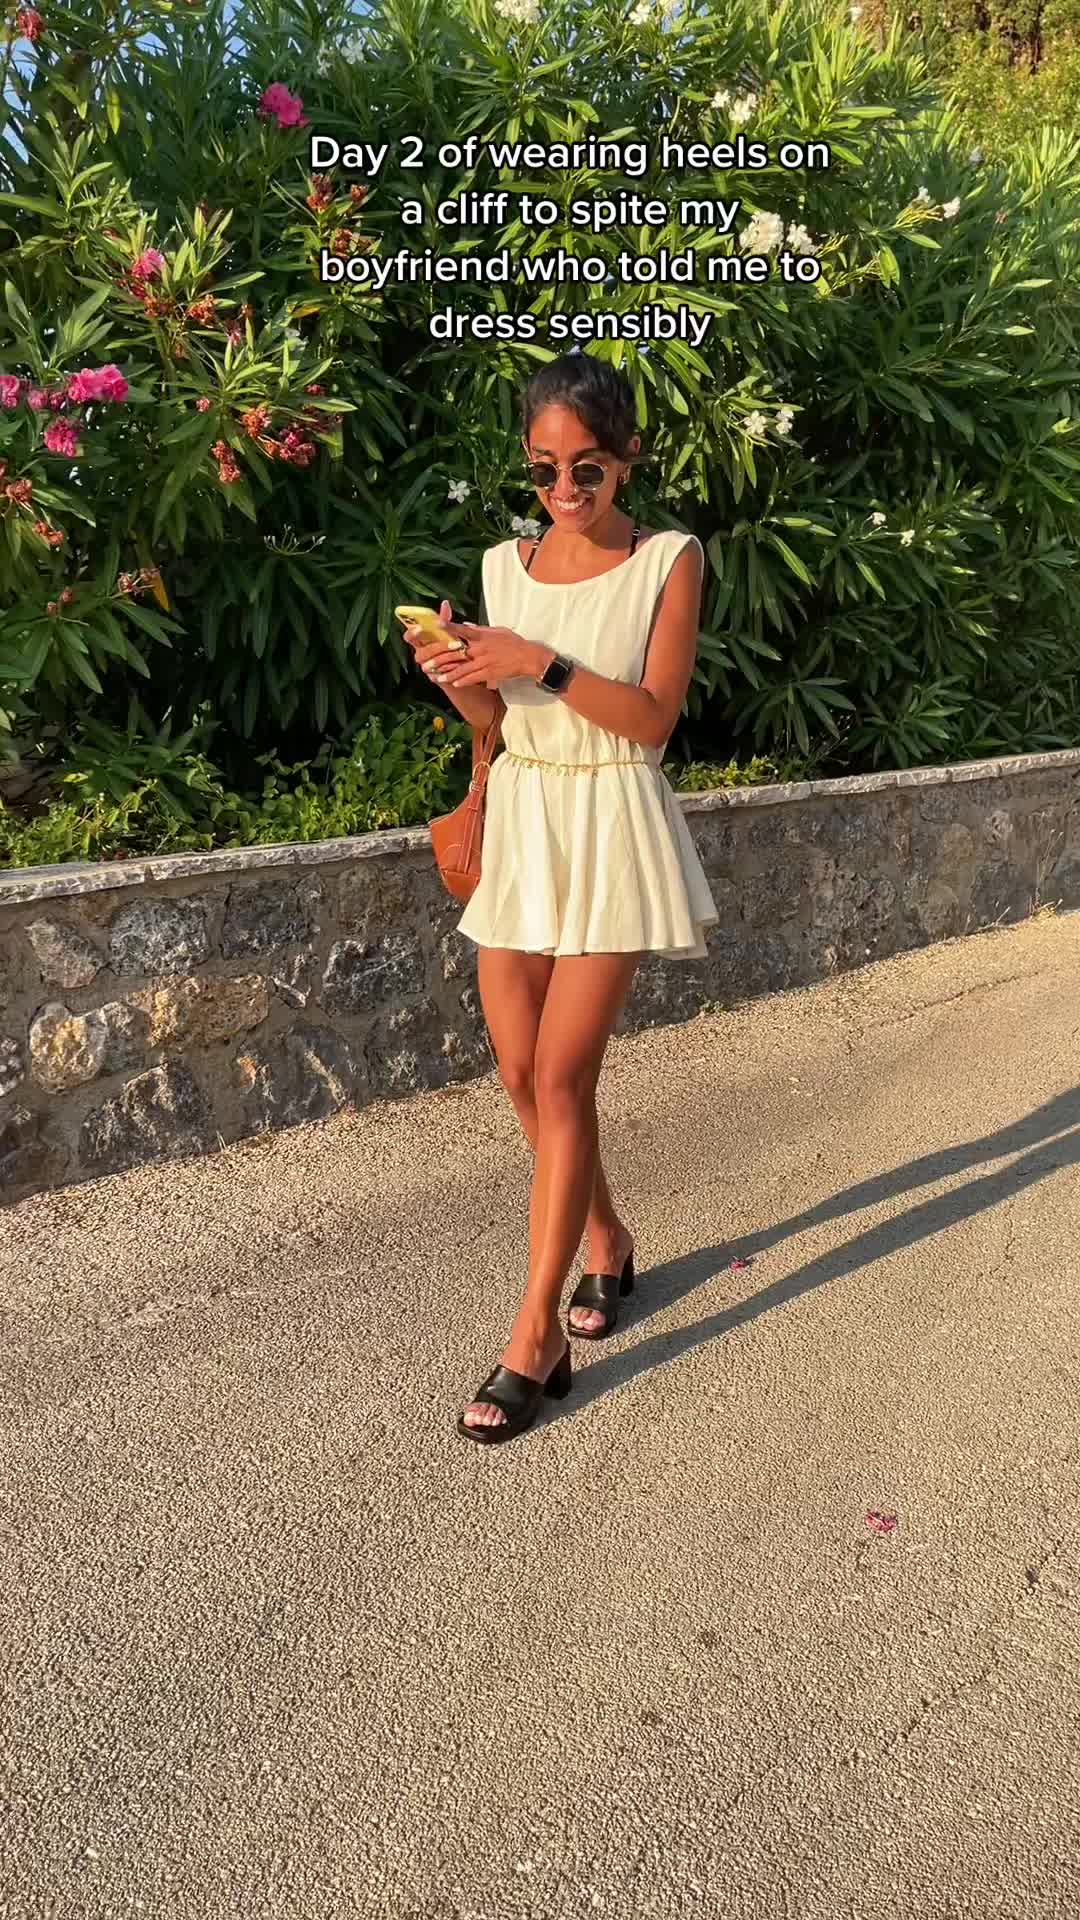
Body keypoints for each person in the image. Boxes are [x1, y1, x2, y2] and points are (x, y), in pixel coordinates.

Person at [401, 351, 719, 1446]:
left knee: (564, 1072)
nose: (566, 490)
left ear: (625, 457)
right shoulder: (506, 564)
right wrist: (465, 681)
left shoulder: (669, 559)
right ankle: (608, 1243)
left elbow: (653, 719)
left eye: (588, 466)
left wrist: (540, 656)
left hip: (613, 821)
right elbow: (499, 727)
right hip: (527, 817)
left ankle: (534, 1335)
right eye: (544, 471)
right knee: (518, 1071)